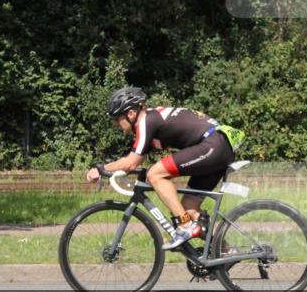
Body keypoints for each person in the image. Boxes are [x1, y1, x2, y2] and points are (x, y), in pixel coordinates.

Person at [86, 86, 245, 250]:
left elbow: (131, 163)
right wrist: (111, 168)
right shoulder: (152, 121)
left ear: (131, 113)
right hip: (217, 146)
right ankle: (225, 251)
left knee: (155, 174)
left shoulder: (147, 121)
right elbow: (134, 160)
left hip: (212, 145)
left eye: (117, 118)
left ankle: (185, 226)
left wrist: (100, 169)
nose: (115, 124)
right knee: (189, 208)